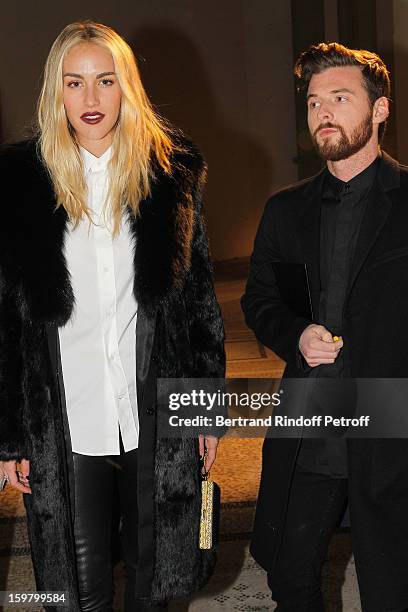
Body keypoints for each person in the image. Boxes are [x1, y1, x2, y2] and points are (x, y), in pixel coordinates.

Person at [0, 20, 225, 612]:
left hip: (151, 414)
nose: (91, 99)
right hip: (63, 422)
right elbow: (5, 321)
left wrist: (206, 410)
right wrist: (9, 436)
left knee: (154, 585)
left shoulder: (170, 174)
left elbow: (198, 307)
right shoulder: (18, 183)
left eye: (105, 80)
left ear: (128, 85)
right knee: (74, 591)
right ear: (56, 92)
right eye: (75, 83)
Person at [242, 42, 408, 611]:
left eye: (341, 98)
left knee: (392, 587)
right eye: (315, 102)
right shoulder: (286, 210)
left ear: (380, 109)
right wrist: (295, 335)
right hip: (311, 419)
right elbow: (260, 299)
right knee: (289, 576)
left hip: (392, 427)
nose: (324, 114)